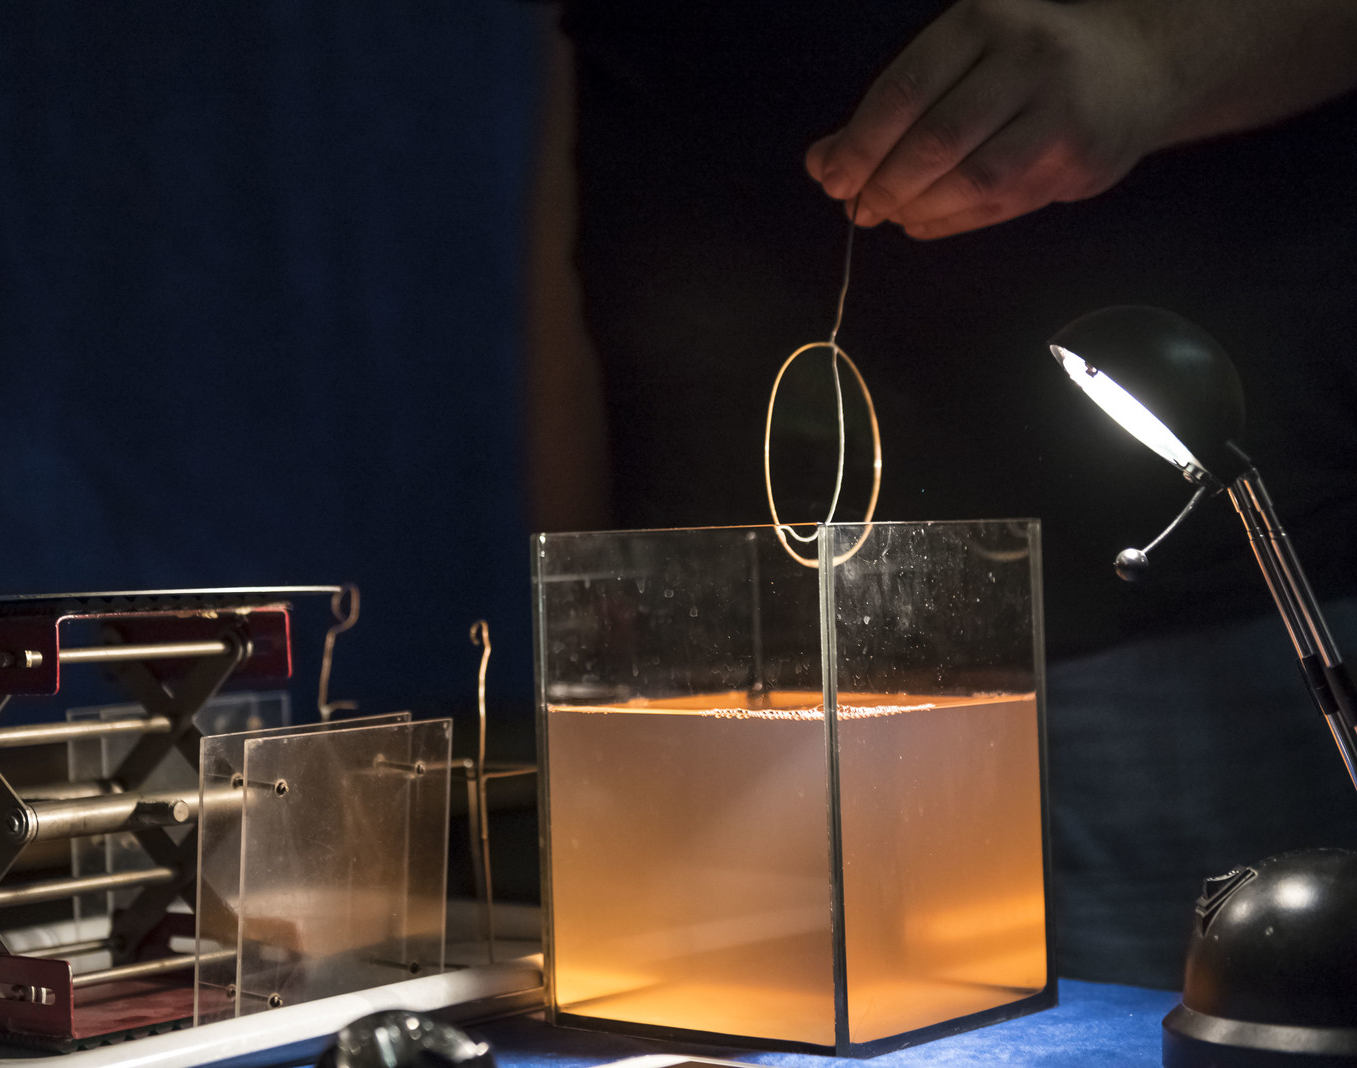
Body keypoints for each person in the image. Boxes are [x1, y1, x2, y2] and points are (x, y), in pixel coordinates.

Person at [529, 0, 1357, 988]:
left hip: (1159, 652)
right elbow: (573, 158)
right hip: (704, 695)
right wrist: (578, 630)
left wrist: (1153, 56)